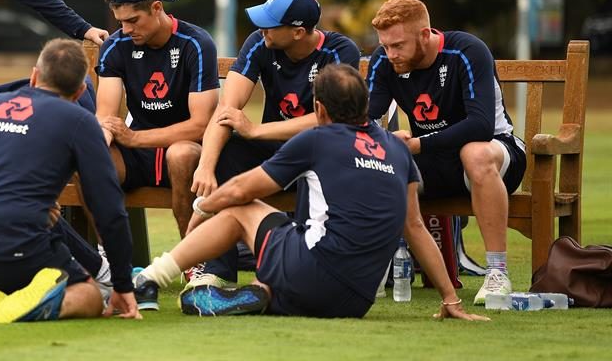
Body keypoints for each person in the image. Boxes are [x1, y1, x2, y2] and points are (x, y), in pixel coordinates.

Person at [133, 64, 488, 321]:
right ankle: (266, 294)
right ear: (366, 106)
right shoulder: (398, 149)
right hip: (356, 302)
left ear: (318, 109)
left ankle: (151, 278)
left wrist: (203, 206)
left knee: (239, 208)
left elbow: (242, 188)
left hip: (314, 272)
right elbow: (416, 228)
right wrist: (450, 298)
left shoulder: (317, 138)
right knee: (292, 242)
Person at [0, 39, 140, 323]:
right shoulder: (79, 120)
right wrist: (122, 284)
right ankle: (25, 307)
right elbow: (107, 208)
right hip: (12, 252)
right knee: (90, 295)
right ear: (81, 91)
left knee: (25, 240)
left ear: (35, 75)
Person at [179, 0, 360, 293]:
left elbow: (328, 118)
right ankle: (219, 271)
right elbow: (227, 109)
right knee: (227, 153)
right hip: (275, 151)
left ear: (298, 32)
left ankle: (299, 270)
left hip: (320, 148)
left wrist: (256, 131)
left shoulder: (341, 51)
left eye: (271, 23)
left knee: (314, 161)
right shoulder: (260, 43)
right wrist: (206, 166)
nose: (261, 28)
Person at [366, 0, 527, 305]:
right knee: (380, 161)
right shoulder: (385, 61)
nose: (390, 54)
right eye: (385, 45)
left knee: (474, 152)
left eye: (398, 45)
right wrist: (388, 140)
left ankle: (498, 273)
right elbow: (366, 117)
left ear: (424, 35)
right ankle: (372, 267)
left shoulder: (467, 50)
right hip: (432, 159)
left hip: (497, 154)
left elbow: (480, 125)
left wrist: (416, 144)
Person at [95, 0, 219, 239]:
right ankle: (109, 257)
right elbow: (104, 116)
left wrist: (135, 138)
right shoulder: (115, 47)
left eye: (133, 21)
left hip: (187, 147)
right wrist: (97, 141)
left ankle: (192, 260)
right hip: (136, 154)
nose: (126, 30)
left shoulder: (196, 43)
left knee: (180, 155)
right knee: (91, 157)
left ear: (157, 7)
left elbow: (200, 125)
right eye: (120, 23)